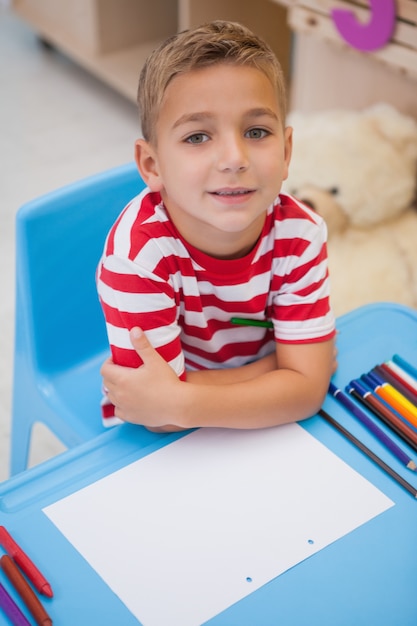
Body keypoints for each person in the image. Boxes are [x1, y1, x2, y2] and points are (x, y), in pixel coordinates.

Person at [97, 20, 336, 432]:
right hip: (160, 444)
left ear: (286, 150)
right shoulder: (136, 260)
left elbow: (309, 393)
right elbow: (153, 414)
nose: (233, 158)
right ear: (152, 166)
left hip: (258, 427)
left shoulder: (301, 234)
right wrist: (281, 369)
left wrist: (181, 400)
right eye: (197, 137)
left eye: (256, 131)